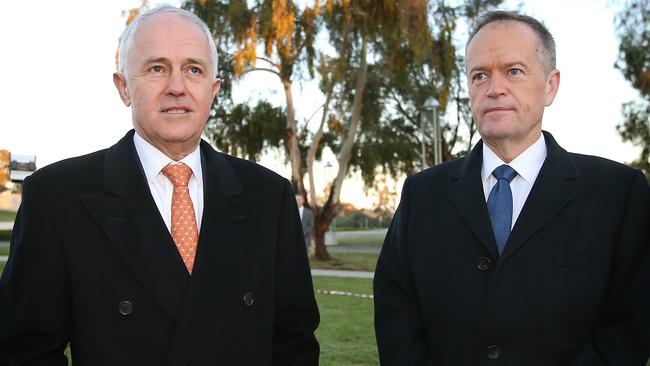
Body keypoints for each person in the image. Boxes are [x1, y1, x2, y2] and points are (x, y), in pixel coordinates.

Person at [0, 6, 319, 365]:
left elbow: (294, 341)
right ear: (123, 88)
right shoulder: (56, 197)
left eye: (193, 70)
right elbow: (24, 350)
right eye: (156, 68)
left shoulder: (269, 197)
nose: (177, 87)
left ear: (213, 90)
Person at [374, 10, 650, 365]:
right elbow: (396, 314)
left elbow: (630, 327)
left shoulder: (619, 193)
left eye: (514, 71)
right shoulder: (421, 194)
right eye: (479, 75)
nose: (494, 88)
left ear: (551, 85)